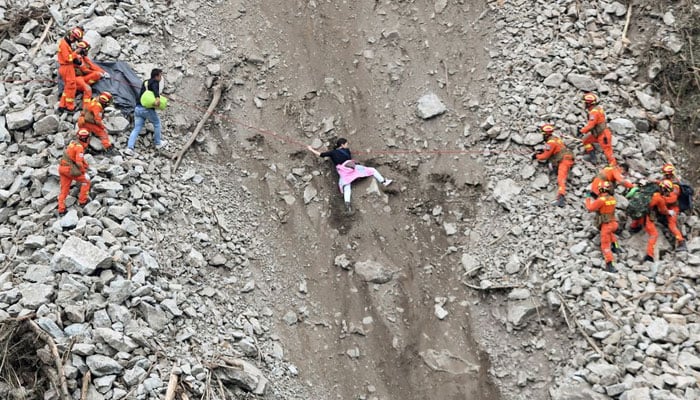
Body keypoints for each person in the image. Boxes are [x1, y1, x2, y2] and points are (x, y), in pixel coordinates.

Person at [307, 138, 393, 215]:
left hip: (344, 172)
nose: (347, 145)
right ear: (342, 145)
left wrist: (311, 149)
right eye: (346, 144)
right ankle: (384, 182)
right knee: (372, 170)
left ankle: (347, 205)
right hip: (352, 169)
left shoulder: (332, 153)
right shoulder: (346, 150)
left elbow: (321, 154)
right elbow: (348, 157)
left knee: (347, 186)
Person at [629, 179, 675, 262]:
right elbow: (662, 210)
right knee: (654, 234)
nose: (668, 194)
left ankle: (633, 227)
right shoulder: (659, 198)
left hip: (638, 209)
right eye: (667, 191)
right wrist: (669, 212)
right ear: (664, 189)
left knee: (640, 215)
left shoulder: (650, 189)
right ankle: (649, 255)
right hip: (646, 213)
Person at [125, 68, 166, 155]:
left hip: (138, 108)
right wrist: (158, 99)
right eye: (160, 75)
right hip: (146, 109)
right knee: (157, 123)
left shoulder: (145, 82)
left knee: (136, 128)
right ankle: (158, 143)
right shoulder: (155, 82)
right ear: (156, 76)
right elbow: (155, 91)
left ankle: (129, 148)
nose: (161, 78)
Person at [532, 124, 573, 207]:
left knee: (561, 178)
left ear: (546, 134)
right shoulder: (556, 139)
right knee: (553, 166)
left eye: (543, 134)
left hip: (564, 160)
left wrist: (536, 156)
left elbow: (545, 156)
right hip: (565, 158)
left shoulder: (551, 142)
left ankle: (561, 199)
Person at [585, 181, 620, 272]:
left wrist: (588, 198)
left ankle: (610, 264)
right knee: (610, 233)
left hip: (606, 225)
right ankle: (616, 247)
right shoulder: (612, 198)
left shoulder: (601, 200)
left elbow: (590, 208)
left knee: (605, 245)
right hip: (614, 223)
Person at [57, 129, 91, 215]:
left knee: (64, 189)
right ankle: (82, 201)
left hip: (62, 168)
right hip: (69, 169)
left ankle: (61, 209)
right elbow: (79, 162)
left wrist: (86, 164)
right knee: (86, 181)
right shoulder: (79, 147)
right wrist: (83, 171)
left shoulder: (72, 143)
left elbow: (74, 158)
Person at [579, 93, 616, 166]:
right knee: (586, 140)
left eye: (585, 103)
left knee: (608, 151)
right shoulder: (597, 109)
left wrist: (582, 131)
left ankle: (613, 166)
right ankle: (593, 157)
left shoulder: (594, 112)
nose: (584, 105)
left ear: (588, 104)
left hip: (603, 135)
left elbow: (590, 125)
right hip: (598, 133)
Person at [659, 163, 687, 251]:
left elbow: (672, 199)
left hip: (673, 208)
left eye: (665, 174)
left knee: (672, 225)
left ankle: (681, 241)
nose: (664, 175)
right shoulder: (667, 180)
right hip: (667, 206)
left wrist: (662, 198)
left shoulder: (675, 186)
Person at [57, 26, 84, 112]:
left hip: (66, 67)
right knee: (72, 87)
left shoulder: (66, 43)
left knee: (67, 87)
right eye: (74, 39)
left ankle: (62, 105)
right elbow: (67, 58)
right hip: (66, 67)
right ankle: (69, 106)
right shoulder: (64, 44)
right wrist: (76, 52)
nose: (74, 41)